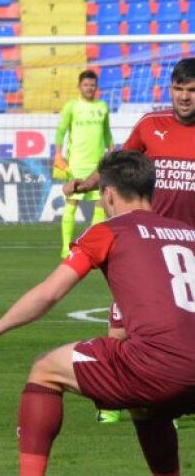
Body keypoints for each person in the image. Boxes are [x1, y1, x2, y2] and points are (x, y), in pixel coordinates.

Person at [0, 151, 195, 476]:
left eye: (102, 194)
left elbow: (50, 293)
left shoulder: (107, 231)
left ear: (111, 193)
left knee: (45, 369)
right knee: (146, 403)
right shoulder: (188, 232)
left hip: (157, 364)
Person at [68, 58, 195, 424]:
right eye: (178, 89)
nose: (184, 97)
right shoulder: (151, 125)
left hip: (189, 245)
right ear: (170, 89)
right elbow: (119, 165)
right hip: (147, 242)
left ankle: (170, 397)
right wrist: (86, 184)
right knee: (122, 321)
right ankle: (113, 400)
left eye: (191, 90)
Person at [55, 70, 113, 260]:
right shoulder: (72, 106)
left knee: (99, 205)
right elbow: (61, 131)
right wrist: (58, 155)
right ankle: (65, 247)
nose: (90, 88)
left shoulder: (102, 106)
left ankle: (93, 246)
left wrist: (111, 152)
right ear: (80, 86)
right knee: (72, 202)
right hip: (77, 164)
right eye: (86, 85)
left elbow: (106, 133)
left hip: (97, 165)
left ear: (96, 87)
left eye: (93, 85)